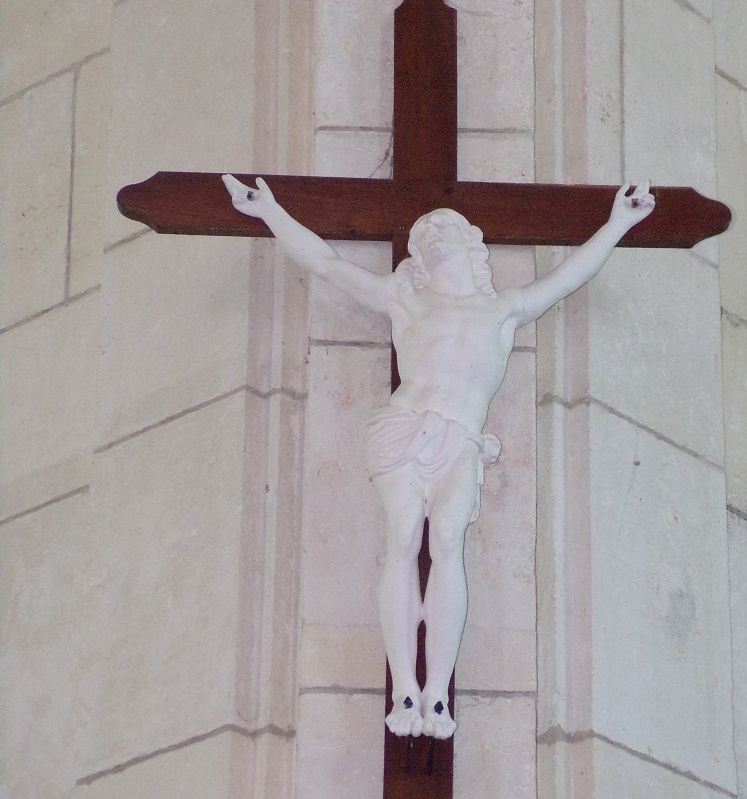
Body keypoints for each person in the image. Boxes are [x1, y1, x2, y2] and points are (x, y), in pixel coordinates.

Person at [223, 174, 655, 738]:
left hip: (462, 438)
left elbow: (570, 274)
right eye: (422, 231)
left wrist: (620, 222)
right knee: (402, 537)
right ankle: (405, 686)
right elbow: (326, 264)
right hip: (404, 429)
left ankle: (437, 692)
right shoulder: (404, 300)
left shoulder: (505, 309)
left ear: (474, 240)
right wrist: (270, 213)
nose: (429, 230)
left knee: (448, 539)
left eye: (442, 225)